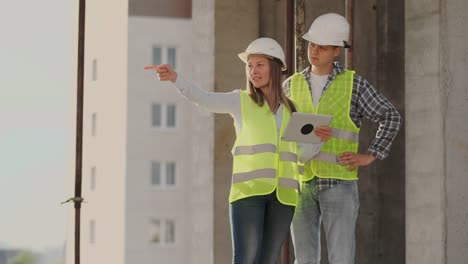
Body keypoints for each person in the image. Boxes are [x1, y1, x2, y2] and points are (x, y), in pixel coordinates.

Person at [145, 38, 330, 264]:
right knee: (245, 258)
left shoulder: (292, 109)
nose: (253, 71)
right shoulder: (240, 101)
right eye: (250, 66)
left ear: (275, 67)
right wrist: (176, 79)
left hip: (284, 197)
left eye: (260, 64)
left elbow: (298, 154)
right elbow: (205, 99)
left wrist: (318, 141)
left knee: (268, 260)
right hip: (249, 193)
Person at [283, 13, 402, 264]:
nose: (314, 51)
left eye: (322, 47)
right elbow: (278, 130)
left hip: (338, 182)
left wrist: (371, 155)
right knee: (303, 260)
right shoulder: (290, 85)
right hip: (301, 181)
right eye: (311, 44)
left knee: (341, 258)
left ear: (337, 50)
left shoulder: (353, 84)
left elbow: (390, 116)